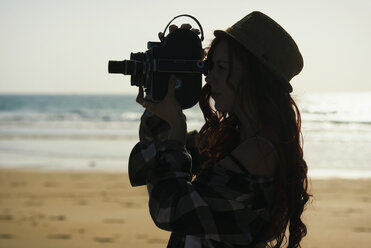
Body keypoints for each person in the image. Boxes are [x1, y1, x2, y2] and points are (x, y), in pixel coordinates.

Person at [129, 11, 310, 248]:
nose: (210, 77)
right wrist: (163, 84)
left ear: (254, 76)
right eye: (211, 65)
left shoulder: (259, 154)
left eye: (222, 67)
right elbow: (145, 166)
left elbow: (169, 210)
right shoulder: (235, 140)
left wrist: (176, 132)